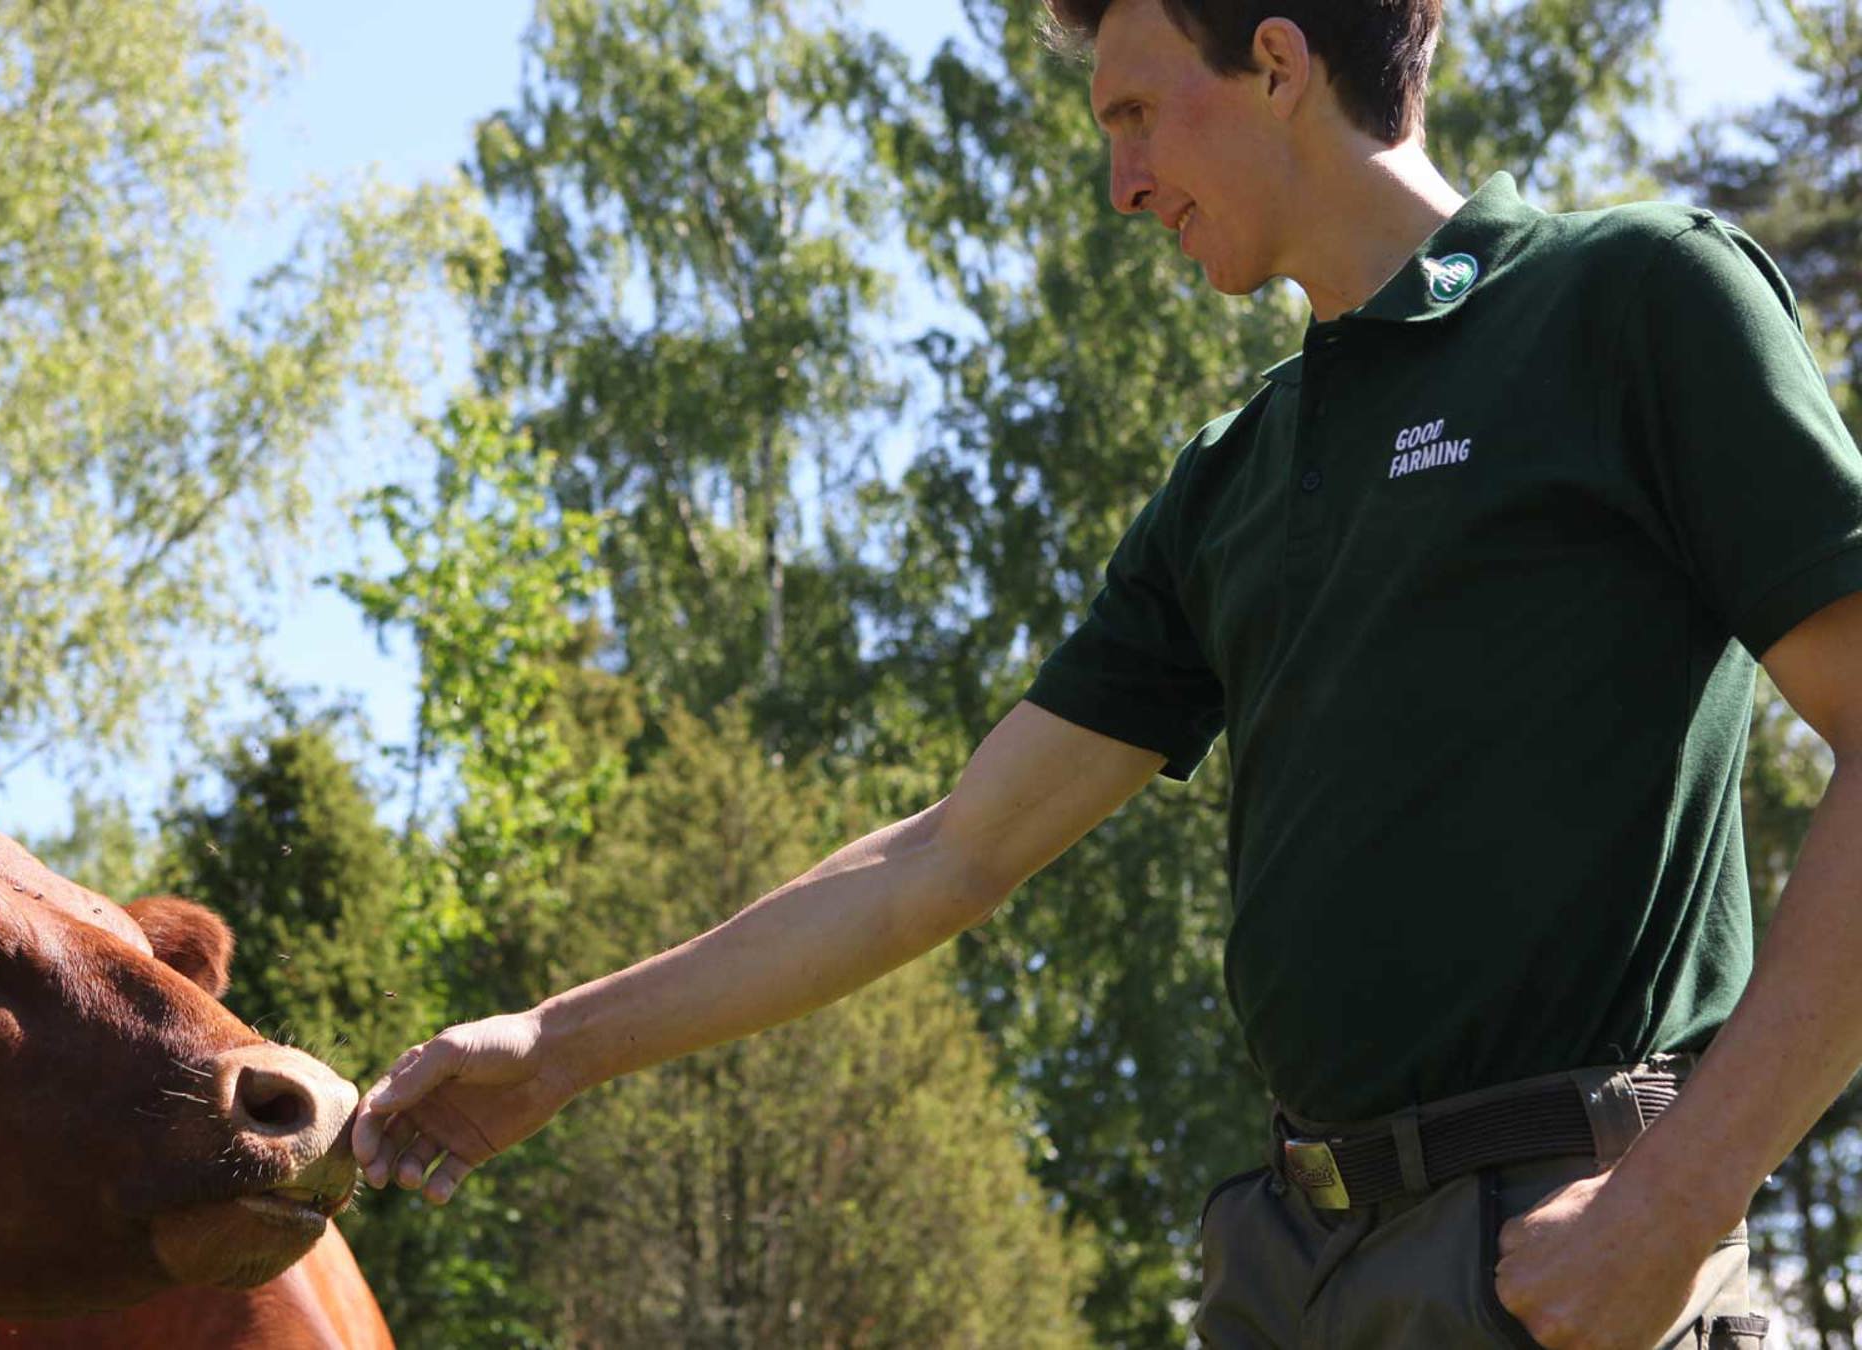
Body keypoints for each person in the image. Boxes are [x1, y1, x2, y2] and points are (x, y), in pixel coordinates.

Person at [352, 1, 1862, 1345]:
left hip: (1569, 1261)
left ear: (1275, 62)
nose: (1122, 182)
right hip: (1284, 1268)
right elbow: (946, 852)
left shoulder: (1632, 300)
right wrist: (560, 1045)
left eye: (1135, 113)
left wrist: (1674, 1203)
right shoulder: (1234, 479)